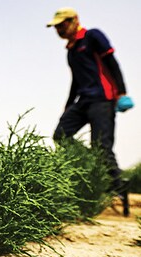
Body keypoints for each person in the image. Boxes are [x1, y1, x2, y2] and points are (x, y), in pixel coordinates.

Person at [46, 7, 134, 213]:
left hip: (103, 99)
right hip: (83, 100)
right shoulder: (71, 51)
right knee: (60, 135)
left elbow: (112, 63)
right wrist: (68, 106)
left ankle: (118, 185)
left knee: (102, 146)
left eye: (62, 24)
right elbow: (76, 81)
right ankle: (89, 164)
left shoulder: (93, 36)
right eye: (56, 26)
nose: (59, 29)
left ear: (74, 20)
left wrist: (121, 92)